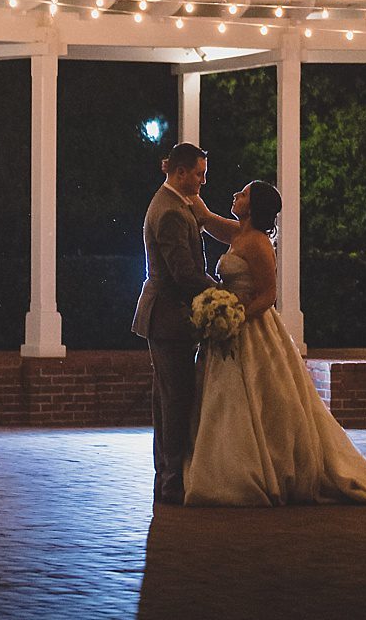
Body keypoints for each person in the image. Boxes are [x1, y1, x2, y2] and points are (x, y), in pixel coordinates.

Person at [183, 179, 366, 507]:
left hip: (251, 328)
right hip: (228, 331)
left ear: (253, 206)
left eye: (242, 194)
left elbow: (268, 294)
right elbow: (207, 219)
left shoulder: (257, 243)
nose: (235, 195)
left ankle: (257, 471)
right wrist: (185, 183)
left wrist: (235, 316)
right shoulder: (238, 233)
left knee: (262, 399)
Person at [131, 141, 218, 506]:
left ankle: (165, 479)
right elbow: (183, 273)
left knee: (167, 401)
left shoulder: (173, 204)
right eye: (198, 174)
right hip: (168, 318)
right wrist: (221, 292)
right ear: (180, 172)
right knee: (176, 401)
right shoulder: (169, 212)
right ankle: (171, 483)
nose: (202, 181)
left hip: (166, 319)